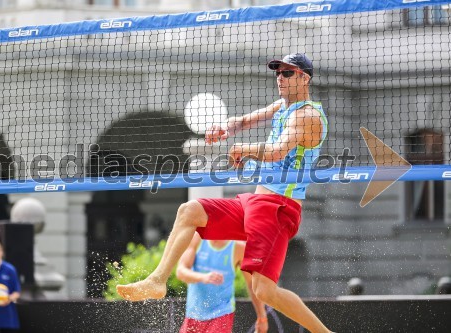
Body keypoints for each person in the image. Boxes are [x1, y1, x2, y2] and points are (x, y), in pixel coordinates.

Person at [116, 53, 334, 333]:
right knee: (190, 211)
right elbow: (242, 122)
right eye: (277, 72)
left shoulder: (307, 116)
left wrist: (242, 148)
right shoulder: (283, 107)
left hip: (279, 208)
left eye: (287, 73)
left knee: (265, 291)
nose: (280, 77)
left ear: (305, 78)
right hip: (256, 203)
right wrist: (225, 129)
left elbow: (277, 151)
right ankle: (157, 281)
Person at [176, 233, 268, 333]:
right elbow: (181, 272)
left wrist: (262, 317)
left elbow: (252, 284)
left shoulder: (239, 247)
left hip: (221, 314)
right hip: (193, 314)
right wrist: (203, 277)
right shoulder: (197, 238)